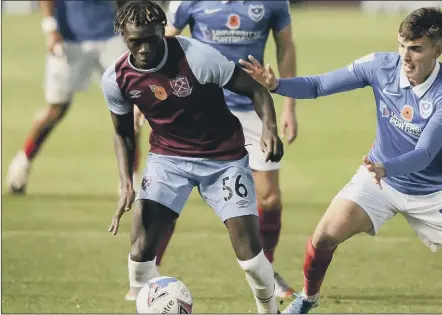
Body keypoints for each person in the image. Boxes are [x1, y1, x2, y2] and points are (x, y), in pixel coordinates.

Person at [240, 7, 442, 314]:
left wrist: (387, 168)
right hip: (378, 179)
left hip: (432, 192)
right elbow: (319, 85)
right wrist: (277, 85)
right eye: (402, 46)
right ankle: (308, 299)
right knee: (323, 237)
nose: (406, 56)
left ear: (438, 50)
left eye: (416, 49)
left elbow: (425, 153)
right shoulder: (379, 66)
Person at [101, 1, 284, 313]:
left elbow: (254, 89)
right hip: (168, 160)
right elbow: (122, 134)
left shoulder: (196, 57)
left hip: (223, 159)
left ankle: (269, 310)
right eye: (136, 42)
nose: (143, 49)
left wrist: (269, 128)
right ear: (124, 38)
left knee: (252, 260)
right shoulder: (116, 78)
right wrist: (126, 184)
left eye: (151, 39)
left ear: (164, 31)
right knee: (139, 253)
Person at [148, 0, 298, 298]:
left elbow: (286, 48)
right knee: (169, 194)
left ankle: (266, 270)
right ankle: (149, 270)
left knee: (269, 199)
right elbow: (161, 44)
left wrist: (289, 107)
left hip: (253, 106)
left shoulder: (273, 3)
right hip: (199, 109)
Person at [5, 0, 143, 193]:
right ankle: (22, 163)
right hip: (69, 40)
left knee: (129, 108)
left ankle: (131, 180)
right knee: (56, 108)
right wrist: (50, 28)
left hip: (112, 38)